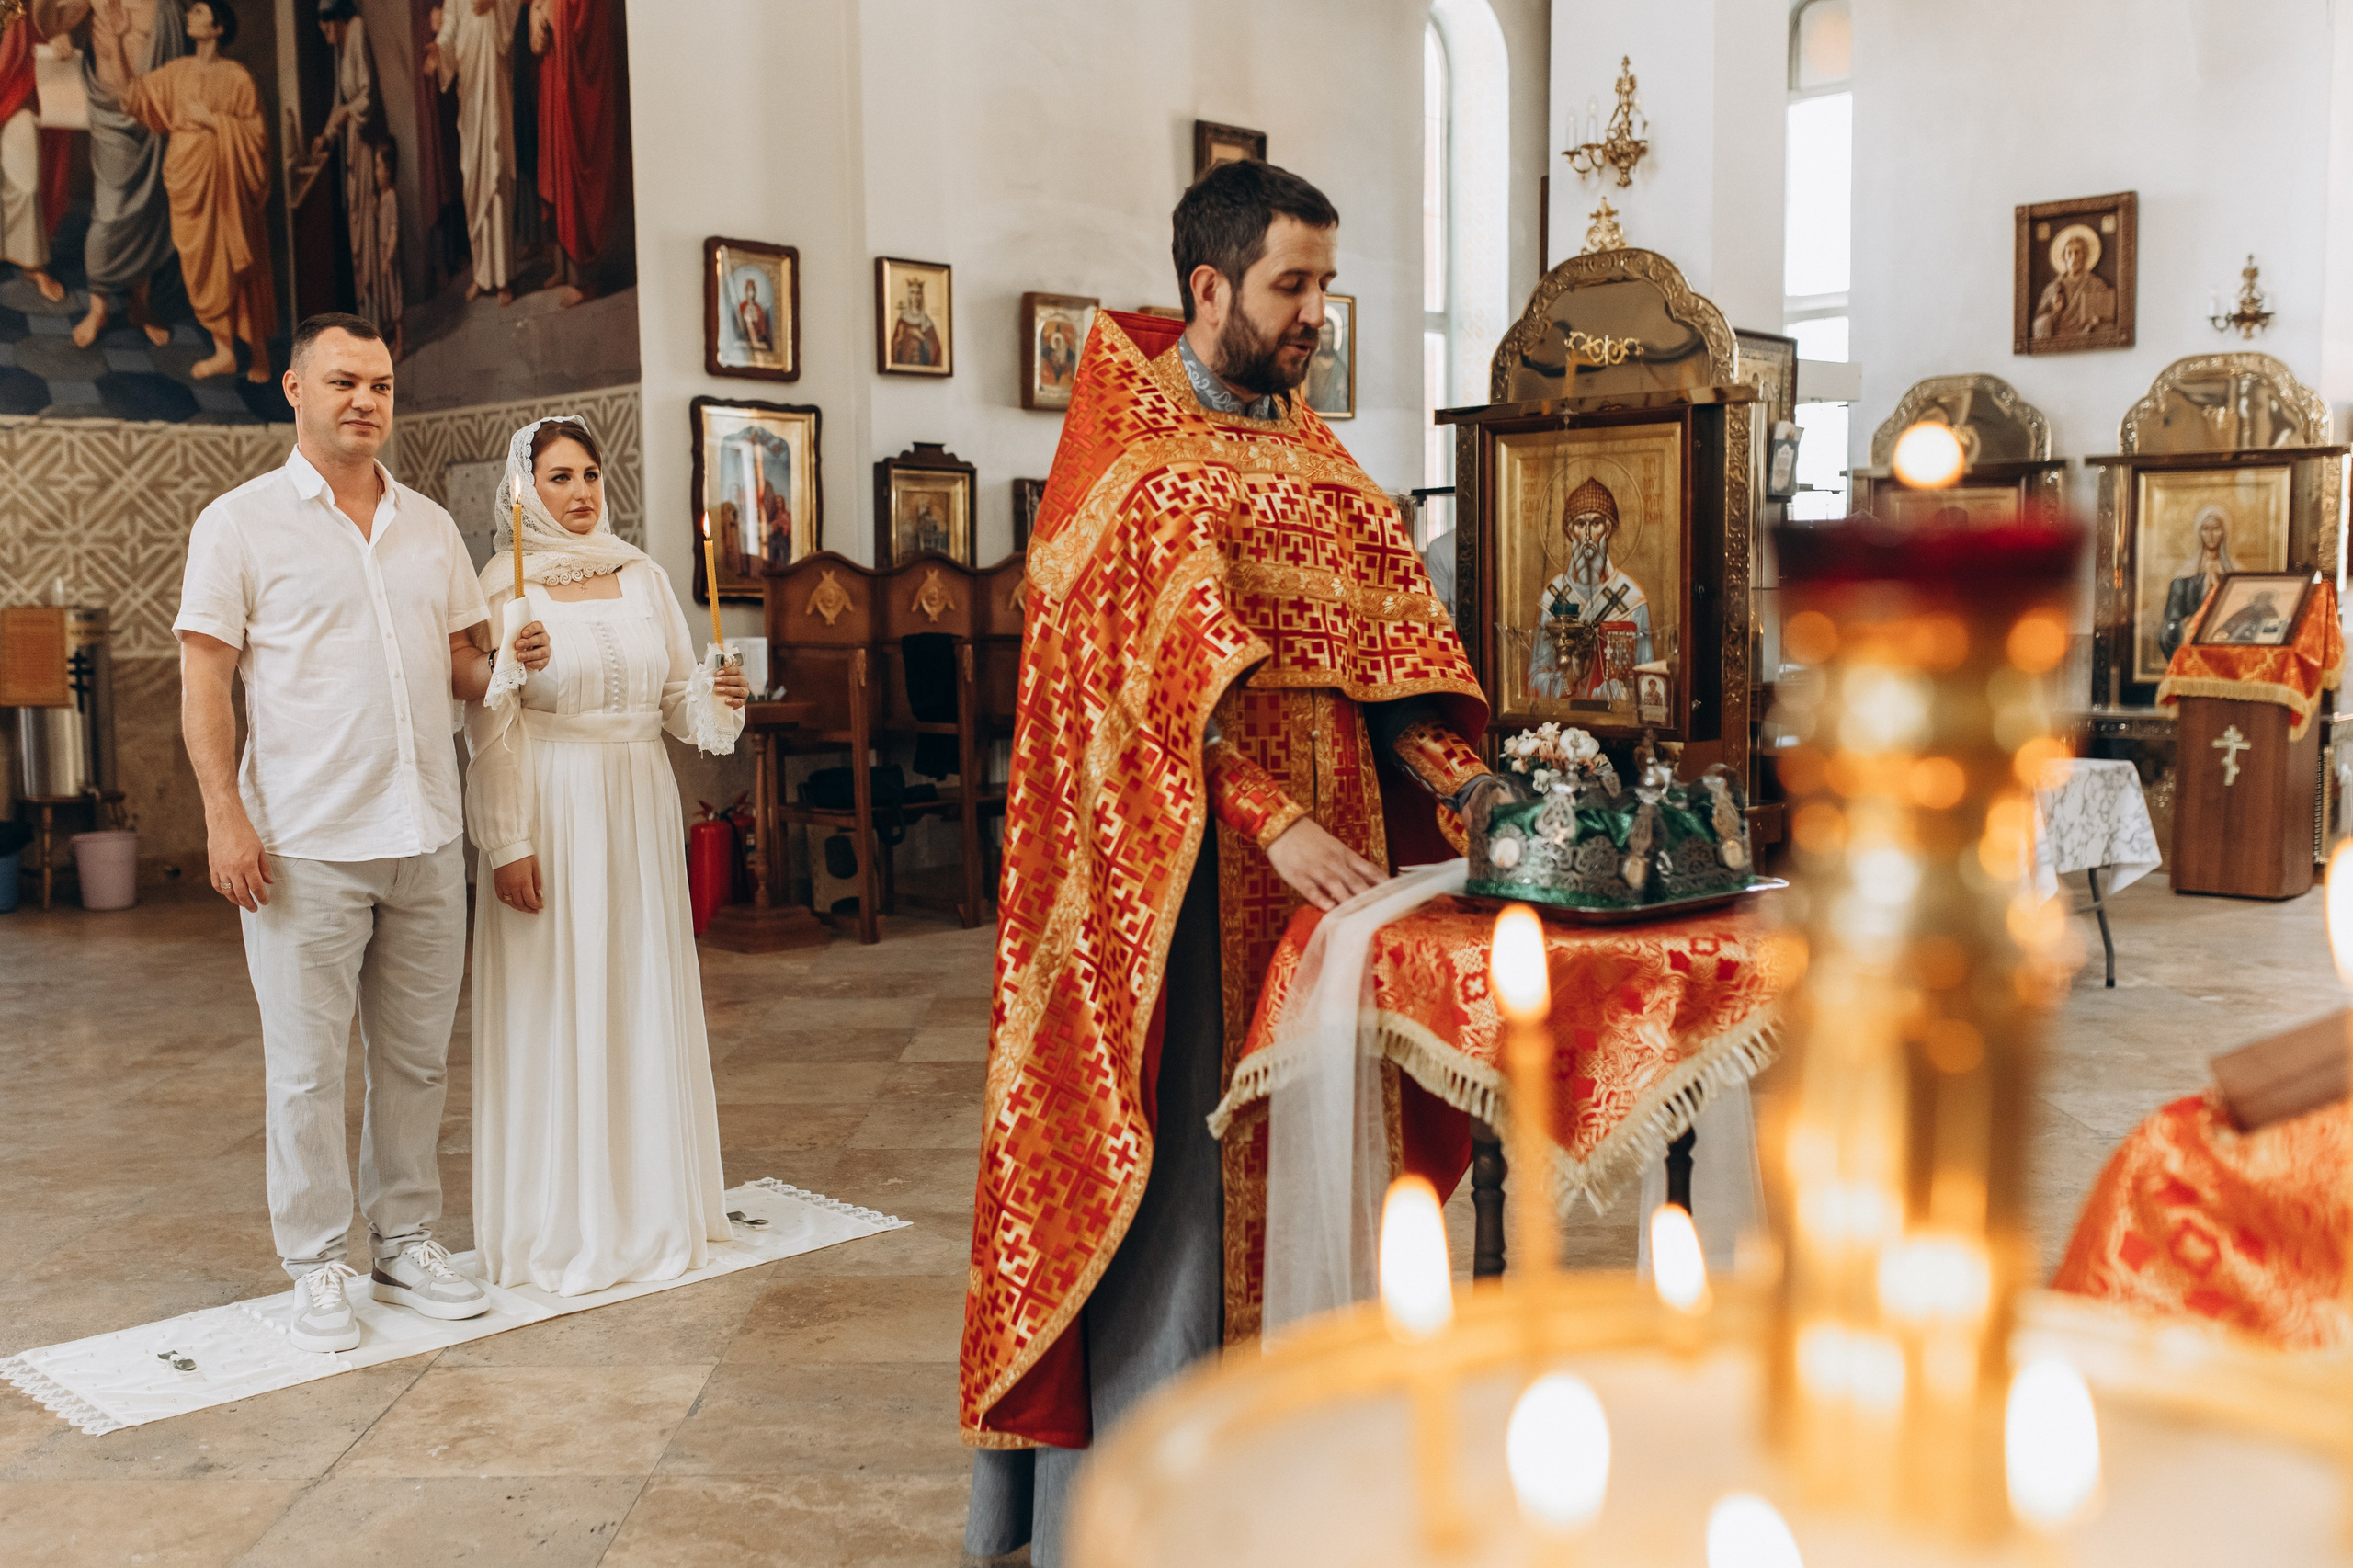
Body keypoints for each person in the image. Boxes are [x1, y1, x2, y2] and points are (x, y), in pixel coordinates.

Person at [961, 159, 1499, 1566]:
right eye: (1292, 285)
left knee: (1334, 1169)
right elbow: (1126, 715)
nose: (1321, 311)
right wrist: (1272, 820)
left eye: (1328, 282)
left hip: (1347, 890)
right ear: (1210, 289)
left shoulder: (1322, 464)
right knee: (1191, 1199)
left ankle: (1310, 1476)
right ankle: (1161, 1503)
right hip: (1187, 897)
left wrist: (1479, 786)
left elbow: (1394, 678)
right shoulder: (1130, 472)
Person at [176, 313, 522, 1355]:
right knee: (307, 1066)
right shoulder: (237, 525)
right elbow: (204, 678)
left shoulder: (429, 527)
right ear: (293, 389)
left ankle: (406, 1237)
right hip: (304, 841)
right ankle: (317, 1258)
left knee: (415, 1061)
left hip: (423, 829)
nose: (365, 399)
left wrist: (512, 656)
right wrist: (224, 815)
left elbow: (463, 665)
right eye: (342, 381)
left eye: (378, 383)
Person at [463, 415, 749, 1296]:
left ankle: (652, 1205)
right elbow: (493, 724)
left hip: (638, 802)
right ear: (523, 493)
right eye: (558, 477)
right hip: (553, 805)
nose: (581, 492)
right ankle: (567, 1219)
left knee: (637, 989)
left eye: (589, 473)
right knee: (563, 996)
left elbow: (675, 704)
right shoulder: (504, 592)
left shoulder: (645, 575)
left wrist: (718, 694)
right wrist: (508, 841)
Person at [97, 0, 274, 383]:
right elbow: (134, 96)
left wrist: (212, 120)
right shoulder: (176, 72)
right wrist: (115, 41)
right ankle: (225, 351)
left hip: (226, 184)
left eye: (198, 12)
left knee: (236, 259)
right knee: (202, 267)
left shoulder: (237, 77)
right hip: (186, 183)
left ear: (217, 27)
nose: (189, 16)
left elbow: (257, 135)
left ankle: (257, 351)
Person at [34, 0, 182, 349]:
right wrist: (58, 32)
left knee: (149, 210)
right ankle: (98, 308)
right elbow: (51, 19)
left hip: (151, 117)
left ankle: (140, 305)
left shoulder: (166, 6)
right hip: (111, 114)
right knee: (110, 213)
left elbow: (175, 60)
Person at [1528, 475, 1653, 702]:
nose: (1587, 537)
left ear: (1608, 529)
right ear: (1569, 531)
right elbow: (1535, 678)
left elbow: (1647, 676)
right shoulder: (1552, 597)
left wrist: (1615, 688)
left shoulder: (1632, 598)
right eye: (1579, 524)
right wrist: (1569, 679)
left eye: (1595, 523)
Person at [427, 0, 515, 305]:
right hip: (471, 87)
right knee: (473, 177)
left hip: (493, 78)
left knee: (497, 171)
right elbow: (451, 26)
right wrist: (440, 48)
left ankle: (503, 276)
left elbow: (511, 9)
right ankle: (481, 274)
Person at [529, 0, 615, 307]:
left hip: (577, 73)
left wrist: (556, 11)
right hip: (555, 66)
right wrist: (536, 12)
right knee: (557, 159)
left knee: (576, 160)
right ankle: (563, 266)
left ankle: (585, 278)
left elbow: (587, 13)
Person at [313, 2, 392, 335]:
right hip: (352, 148)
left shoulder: (356, 28)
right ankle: (369, 315)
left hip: (365, 143)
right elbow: (340, 100)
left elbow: (366, 97)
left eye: (329, 27)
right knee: (357, 225)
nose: (328, 35)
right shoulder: (341, 45)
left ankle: (380, 319)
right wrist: (326, 135)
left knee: (369, 228)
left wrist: (344, 116)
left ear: (338, 17)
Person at [0, 11, 66, 303]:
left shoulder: (21, 7)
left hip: (16, 95)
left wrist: (57, 37)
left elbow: (52, 20)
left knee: (26, 184)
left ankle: (31, 262)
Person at [2158, 506, 2236, 662]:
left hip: (2226, 643)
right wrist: (2184, 626)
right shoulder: (2184, 575)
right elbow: (2171, 621)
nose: (2211, 535)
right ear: (2198, 533)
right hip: (2192, 642)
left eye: (2216, 529)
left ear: (2224, 532)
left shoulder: (2236, 572)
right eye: (2205, 529)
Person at [2031, 225, 2117, 341]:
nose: (2073, 257)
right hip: (2059, 342)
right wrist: (2054, 313)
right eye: (2069, 253)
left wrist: (2096, 322)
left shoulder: (2096, 285)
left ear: (2085, 255)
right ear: (2064, 257)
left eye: (2077, 252)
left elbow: (2109, 323)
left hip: (2088, 339)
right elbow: (2037, 325)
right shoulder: (2052, 288)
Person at [891, 278, 942, 367]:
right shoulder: (902, 320)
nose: (915, 296)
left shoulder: (927, 322)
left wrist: (921, 338)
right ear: (909, 295)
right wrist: (898, 341)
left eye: (918, 293)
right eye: (912, 292)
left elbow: (937, 352)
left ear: (921, 296)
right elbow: (892, 352)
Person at [735, 275, 771, 354]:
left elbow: (762, 327)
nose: (750, 293)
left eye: (752, 291)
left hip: (757, 339)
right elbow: (739, 325)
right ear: (746, 291)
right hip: (744, 339)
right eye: (748, 290)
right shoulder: (742, 306)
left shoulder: (758, 307)